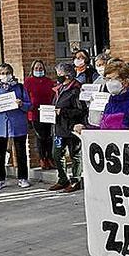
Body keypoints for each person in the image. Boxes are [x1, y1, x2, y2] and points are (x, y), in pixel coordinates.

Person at [0, 63, 32, 191]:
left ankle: (23, 178)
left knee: (20, 152)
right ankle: (0, 179)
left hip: (17, 124)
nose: (4, 75)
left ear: (11, 74)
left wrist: (22, 104)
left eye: (7, 73)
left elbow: (29, 105)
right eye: (2, 73)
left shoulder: (19, 87)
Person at [76, 61, 129, 131]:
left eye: (112, 79)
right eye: (107, 79)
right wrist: (85, 129)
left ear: (125, 81)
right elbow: (103, 129)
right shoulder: (109, 104)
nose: (109, 83)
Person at [50, 63, 87, 192]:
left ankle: (76, 180)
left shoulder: (76, 89)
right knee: (56, 153)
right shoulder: (59, 88)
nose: (57, 76)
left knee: (75, 155)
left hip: (71, 127)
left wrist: (63, 111)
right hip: (59, 127)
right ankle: (62, 179)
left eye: (59, 74)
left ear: (67, 75)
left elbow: (81, 110)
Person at [24, 60, 56, 170]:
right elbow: (26, 97)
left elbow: (53, 96)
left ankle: (50, 158)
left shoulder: (49, 81)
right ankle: (43, 159)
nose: (39, 70)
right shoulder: (28, 82)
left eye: (41, 68)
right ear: (32, 70)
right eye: (36, 68)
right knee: (40, 137)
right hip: (35, 113)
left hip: (48, 112)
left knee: (49, 137)